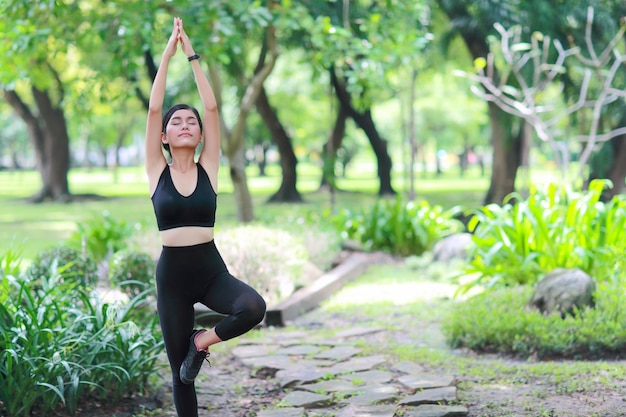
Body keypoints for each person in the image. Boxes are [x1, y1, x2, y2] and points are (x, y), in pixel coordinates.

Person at [145, 17, 267, 417]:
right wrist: (166, 55)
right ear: (164, 136)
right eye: (176, 123)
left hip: (210, 270)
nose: (185, 125)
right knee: (182, 376)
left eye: (191, 122)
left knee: (252, 306)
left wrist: (191, 56)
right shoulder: (155, 171)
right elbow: (154, 108)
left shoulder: (208, 167)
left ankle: (202, 343)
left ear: (199, 136)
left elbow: (212, 107)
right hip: (173, 279)